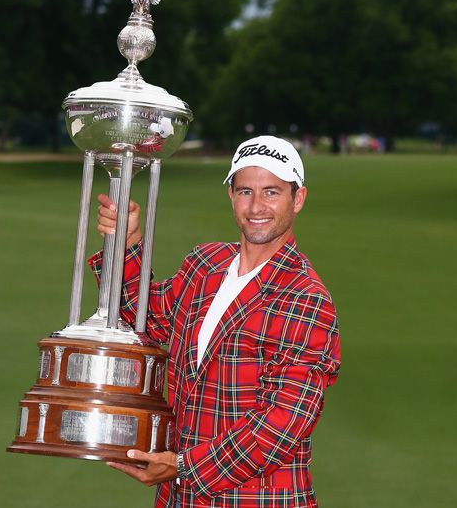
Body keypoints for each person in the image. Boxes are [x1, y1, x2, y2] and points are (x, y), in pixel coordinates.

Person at [90, 136, 341, 508]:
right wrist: (126, 244)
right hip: (181, 497)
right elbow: (142, 318)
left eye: (272, 192)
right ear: (231, 196)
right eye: (245, 192)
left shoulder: (305, 298)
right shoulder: (204, 265)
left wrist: (182, 468)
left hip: (257, 499)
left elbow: (280, 426)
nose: (256, 206)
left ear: (298, 199)